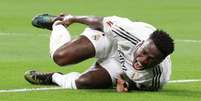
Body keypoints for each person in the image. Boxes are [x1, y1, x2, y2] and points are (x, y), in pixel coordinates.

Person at [24, 13, 174, 92]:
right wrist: (72, 18)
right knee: (60, 57)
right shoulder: (129, 32)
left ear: (161, 61)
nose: (143, 60)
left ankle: (53, 78)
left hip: (119, 65)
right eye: (144, 52)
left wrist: (126, 84)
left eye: (151, 59)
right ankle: (57, 24)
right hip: (112, 40)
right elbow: (99, 21)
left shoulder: (156, 79)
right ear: (141, 43)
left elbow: (139, 85)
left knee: (83, 83)